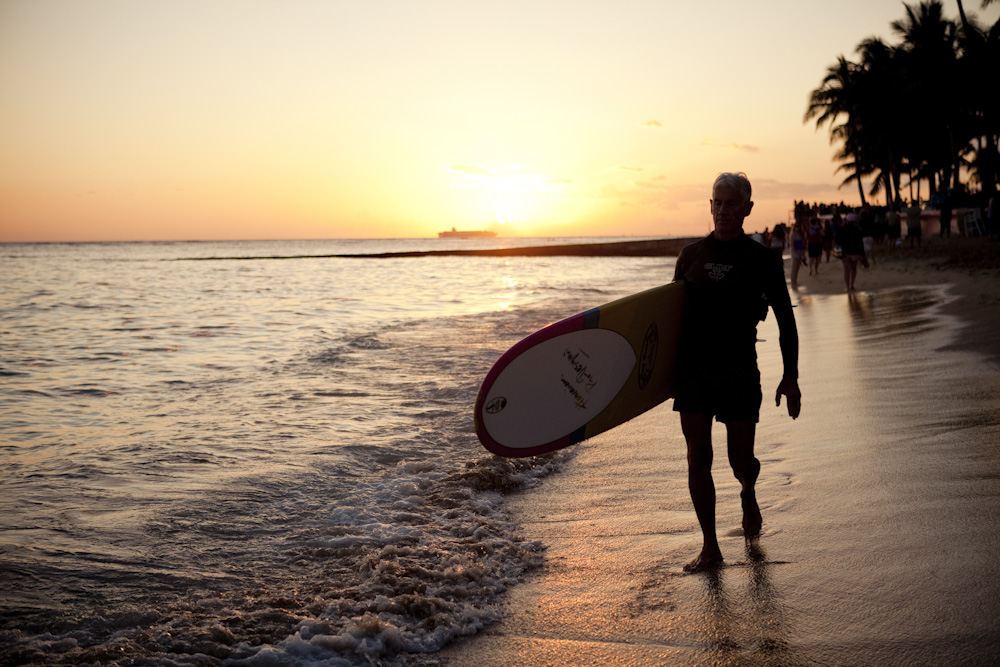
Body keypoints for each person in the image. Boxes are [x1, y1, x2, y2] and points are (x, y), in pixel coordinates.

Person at [672, 172, 801, 573]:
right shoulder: (690, 256)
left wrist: (791, 376)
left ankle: (748, 491)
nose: (723, 210)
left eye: (731, 203)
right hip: (694, 371)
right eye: (717, 202)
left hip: (739, 370)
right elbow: (669, 320)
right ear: (710, 206)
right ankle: (710, 546)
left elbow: (786, 321)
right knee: (698, 459)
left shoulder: (762, 260)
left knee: (740, 458)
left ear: (747, 209)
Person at [835, 212, 867, 291]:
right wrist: (862, 255)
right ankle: (851, 285)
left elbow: (837, 239)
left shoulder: (842, 229)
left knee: (846, 269)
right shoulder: (857, 229)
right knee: (853, 269)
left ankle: (847, 286)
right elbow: (860, 243)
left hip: (845, 252)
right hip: (855, 252)